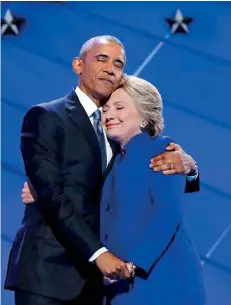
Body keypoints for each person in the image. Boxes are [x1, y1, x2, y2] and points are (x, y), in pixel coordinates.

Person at [5, 35, 199, 305]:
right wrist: (98, 254)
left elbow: (153, 187)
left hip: (103, 283)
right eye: (102, 59)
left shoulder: (120, 136)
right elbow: (51, 191)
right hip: (50, 274)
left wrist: (190, 168)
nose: (110, 68)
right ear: (77, 65)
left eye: (118, 63)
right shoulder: (47, 116)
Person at [99, 76, 205, 305]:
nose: (108, 114)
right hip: (122, 287)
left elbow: (167, 213)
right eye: (105, 109)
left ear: (145, 117)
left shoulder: (162, 150)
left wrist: (132, 264)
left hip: (161, 282)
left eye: (119, 107)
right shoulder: (113, 162)